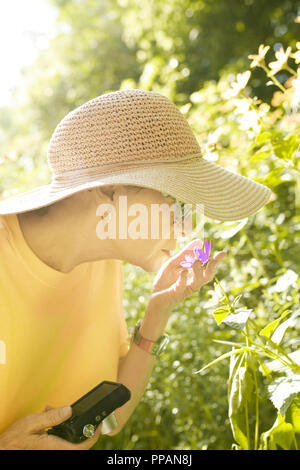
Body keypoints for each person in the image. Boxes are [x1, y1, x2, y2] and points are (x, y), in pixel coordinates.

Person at [0, 89, 272, 450]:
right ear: (111, 188)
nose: (187, 227)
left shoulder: (102, 262)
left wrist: (158, 311)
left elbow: (110, 418)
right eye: (173, 201)